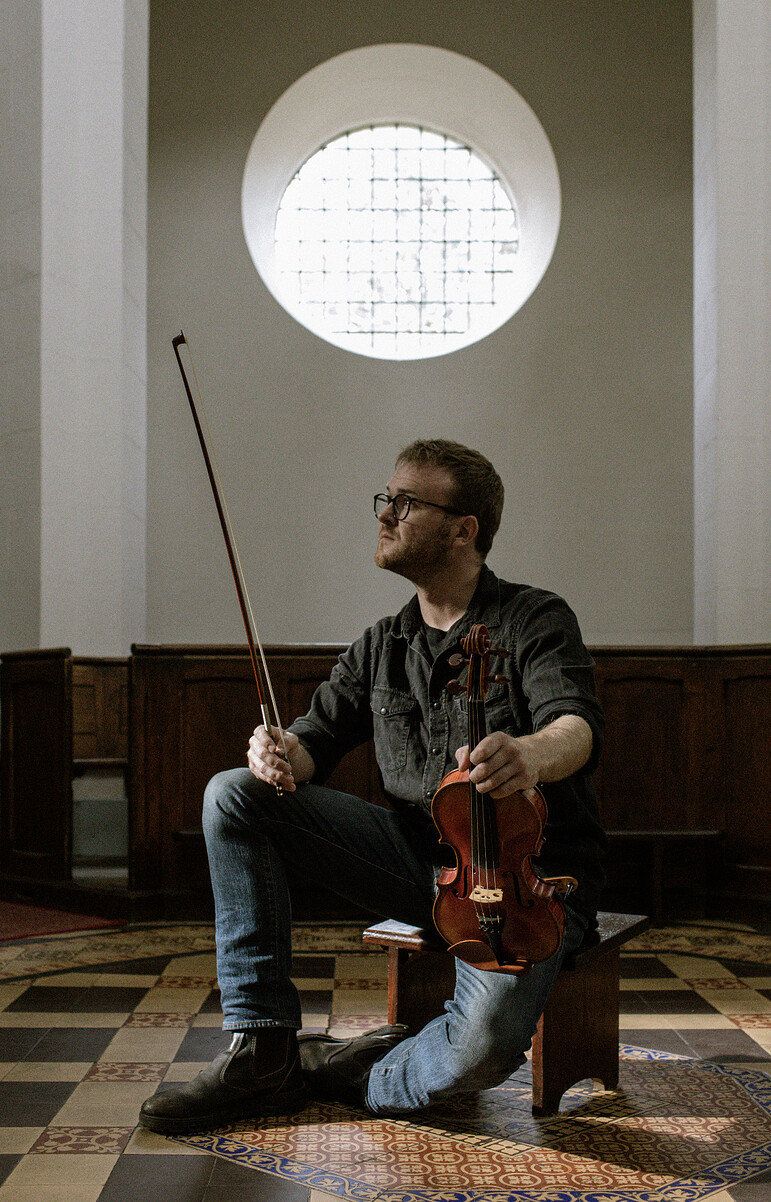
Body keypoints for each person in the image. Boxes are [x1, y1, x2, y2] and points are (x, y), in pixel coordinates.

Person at [139, 439, 605, 1133]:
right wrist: (279, 752)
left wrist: (531, 754)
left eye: (406, 502)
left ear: (463, 529)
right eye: (386, 499)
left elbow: (577, 725)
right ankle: (262, 1047)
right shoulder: (383, 643)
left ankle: (350, 1069)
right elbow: (313, 743)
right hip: (417, 864)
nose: (385, 514)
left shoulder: (534, 618)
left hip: (526, 886)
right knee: (233, 794)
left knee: (482, 1048)